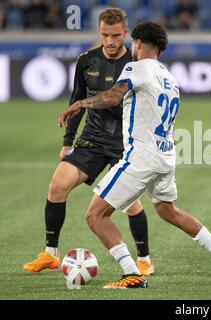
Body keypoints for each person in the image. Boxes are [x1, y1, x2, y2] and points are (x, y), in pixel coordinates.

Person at [58, 21, 211, 289]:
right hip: (165, 156)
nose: (131, 46)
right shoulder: (170, 79)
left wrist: (80, 103)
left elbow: (112, 97)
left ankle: (132, 274)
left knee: (95, 215)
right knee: (169, 211)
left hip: (141, 157)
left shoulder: (136, 67)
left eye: (132, 42)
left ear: (140, 43)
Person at [24, 8, 155, 278]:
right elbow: (76, 101)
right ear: (99, 32)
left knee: (131, 204)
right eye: (105, 35)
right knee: (57, 185)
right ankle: (50, 254)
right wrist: (67, 141)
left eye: (116, 35)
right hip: (92, 139)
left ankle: (144, 260)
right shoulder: (86, 61)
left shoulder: (137, 65)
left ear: (126, 34)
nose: (110, 41)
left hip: (125, 143)